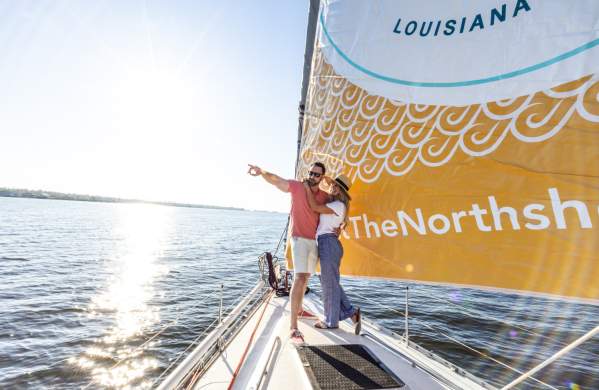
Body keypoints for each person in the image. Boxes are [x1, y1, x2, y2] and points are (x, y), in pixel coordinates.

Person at [247, 162, 329, 341]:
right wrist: (262, 172)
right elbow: (277, 181)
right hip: (298, 239)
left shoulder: (323, 196)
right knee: (300, 277)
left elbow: (337, 205)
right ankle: (293, 327)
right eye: (311, 173)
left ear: (322, 177)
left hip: (314, 241)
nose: (312, 176)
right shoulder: (298, 187)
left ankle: (299, 310)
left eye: (317, 174)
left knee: (306, 278)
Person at [304, 174, 361, 334]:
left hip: (328, 243)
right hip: (326, 243)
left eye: (337, 187)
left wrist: (307, 188)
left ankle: (331, 321)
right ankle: (351, 313)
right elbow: (328, 183)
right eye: (333, 185)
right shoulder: (335, 204)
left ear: (342, 192)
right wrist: (326, 178)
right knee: (330, 282)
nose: (333, 188)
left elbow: (314, 207)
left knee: (329, 284)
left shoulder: (338, 205)